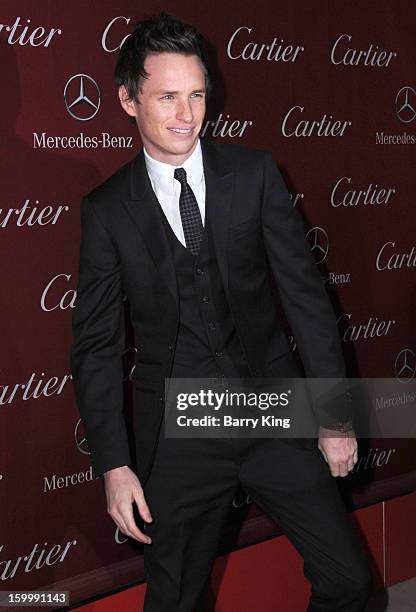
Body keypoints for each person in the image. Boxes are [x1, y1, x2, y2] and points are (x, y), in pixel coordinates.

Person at [70, 13, 372, 611]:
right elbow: (97, 346)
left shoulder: (253, 175)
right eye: (167, 97)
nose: (186, 114)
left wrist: (334, 418)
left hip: (271, 409)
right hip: (180, 436)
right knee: (174, 601)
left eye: (197, 95)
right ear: (128, 100)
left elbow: (308, 300)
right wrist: (114, 465)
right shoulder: (107, 210)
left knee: (350, 580)